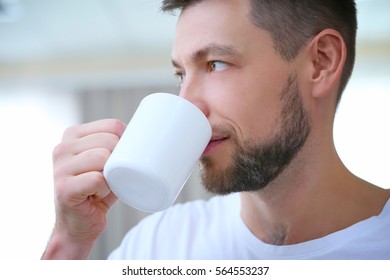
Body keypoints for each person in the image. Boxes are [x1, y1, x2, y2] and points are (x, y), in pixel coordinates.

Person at [42, 0, 390, 260]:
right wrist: (69, 241)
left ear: (320, 63)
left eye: (216, 63)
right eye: (181, 75)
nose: (187, 102)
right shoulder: (159, 244)